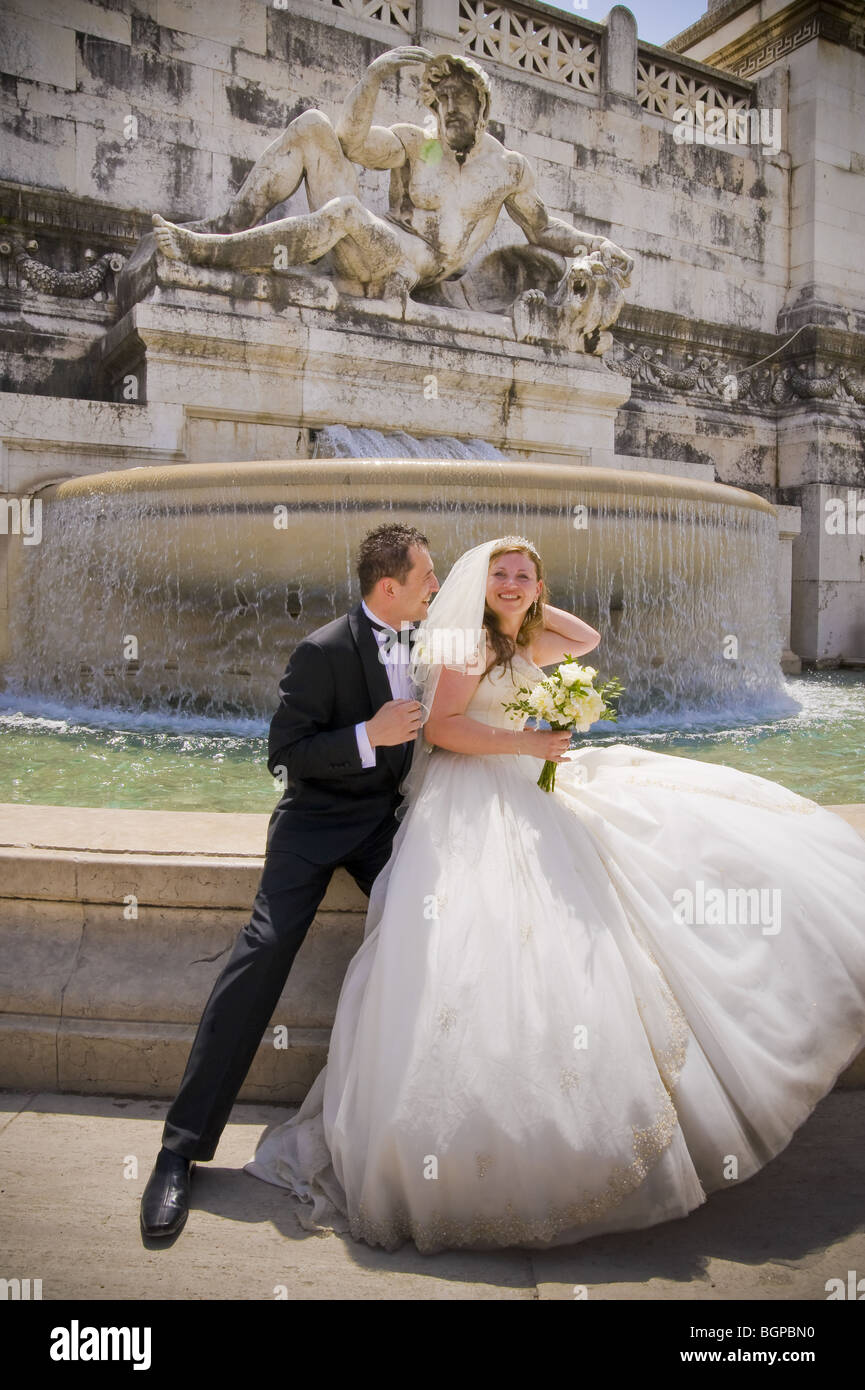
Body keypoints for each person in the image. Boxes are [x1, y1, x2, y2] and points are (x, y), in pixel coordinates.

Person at [243, 535, 865, 1254]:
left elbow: (586, 636)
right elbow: (442, 731)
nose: (510, 583)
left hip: (518, 778)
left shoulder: (517, 640)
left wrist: (524, 602)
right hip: (471, 796)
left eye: (524, 573)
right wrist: (526, 737)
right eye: (498, 573)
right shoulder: (468, 644)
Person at [139, 523, 439, 1238]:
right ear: (388, 586)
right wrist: (370, 735)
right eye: (427, 575)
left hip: (384, 825)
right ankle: (178, 1153)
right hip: (312, 825)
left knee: (442, 923)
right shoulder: (324, 649)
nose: (437, 584)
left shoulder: (432, 641)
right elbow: (286, 753)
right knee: (264, 948)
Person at [150, 49, 632, 303]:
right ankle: (229, 226)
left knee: (344, 213)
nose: (448, 110)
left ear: (482, 104)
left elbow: (542, 228)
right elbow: (353, 142)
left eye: (458, 99)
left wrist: (595, 246)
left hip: (415, 265)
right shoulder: (418, 142)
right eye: (440, 101)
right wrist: (374, 78)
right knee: (313, 127)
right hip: (375, 247)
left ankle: (208, 254)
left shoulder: (508, 169)